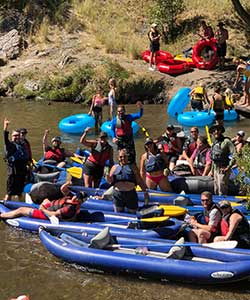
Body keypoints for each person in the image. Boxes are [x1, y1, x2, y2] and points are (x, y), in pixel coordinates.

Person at [0, 181, 87, 221]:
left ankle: (2, 216)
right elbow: (63, 189)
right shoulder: (71, 198)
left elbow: (54, 215)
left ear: (79, 201)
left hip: (47, 215)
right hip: (50, 208)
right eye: (76, 196)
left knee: (21, 210)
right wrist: (69, 183)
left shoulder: (69, 208)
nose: (75, 198)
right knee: (43, 201)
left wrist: (43, 209)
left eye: (77, 198)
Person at [107, 149, 149, 213]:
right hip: (118, 195)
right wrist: (107, 176)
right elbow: (110, 181)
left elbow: (139, 180)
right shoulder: (114, 167)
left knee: (133, 212)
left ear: (127, 157)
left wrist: (145, 191)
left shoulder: (133, 167)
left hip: (130, 194)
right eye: (121, 157)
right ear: (118, 158)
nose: (122, 158)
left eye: (124, 156)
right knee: (118, 213)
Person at [3, 118, 29, 200]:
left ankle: (21, 206)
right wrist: (5, 127)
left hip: (21, 173)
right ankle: (5, 208)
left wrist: (29, 166)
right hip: (13, 174)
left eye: (17, 135)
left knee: (20, 193)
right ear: (12, 136)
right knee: (9, 193)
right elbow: (5, 139)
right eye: (14, 135)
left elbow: (25, 157)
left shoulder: (22, 145)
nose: (16, 137)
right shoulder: (10, 145)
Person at [209, 124, 235, 195]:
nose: (216, 132)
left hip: (223, 168)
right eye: (214, 131)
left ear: (221, 131)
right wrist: (211, 171)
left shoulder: (226, 141)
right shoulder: (214, 143)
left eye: (218, 130)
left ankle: (224, 203)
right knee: (216, 189)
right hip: (215, 169)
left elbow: (234, 155)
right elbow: (213, 159)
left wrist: (228, 167)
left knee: (222, 189)